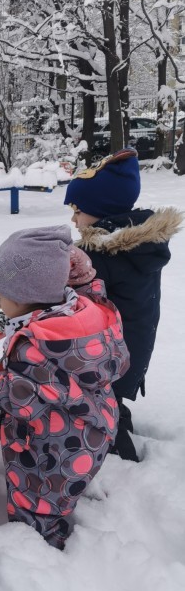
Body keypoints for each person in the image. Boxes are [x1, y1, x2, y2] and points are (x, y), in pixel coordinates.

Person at [0, 225, 129, 549]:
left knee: (36, 504)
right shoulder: (83, 314)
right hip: (91, 430)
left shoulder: (36, 346)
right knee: (60, 490)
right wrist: (84, 280)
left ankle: (41, 549)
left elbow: (21, 398)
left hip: (53, 451)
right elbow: (95, 296)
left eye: (0, 297)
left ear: (25, 296)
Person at [64, 149, 183, 461]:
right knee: (110, 399)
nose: (73, 219)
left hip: (107, 357)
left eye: (77, 210)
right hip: (131, 349)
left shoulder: (101, 258)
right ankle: (117, 418)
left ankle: (123, 461)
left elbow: (70, 303)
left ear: (100, 210)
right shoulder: (139, 246)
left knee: (102, 411)